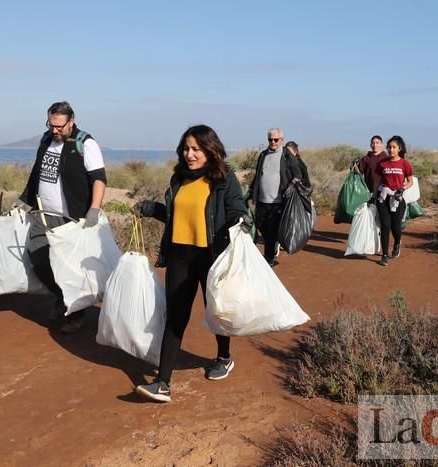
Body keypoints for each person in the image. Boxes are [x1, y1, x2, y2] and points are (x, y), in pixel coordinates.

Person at [133, 124, 249, 403]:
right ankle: (163, 382)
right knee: (176, 316)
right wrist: (151, 208)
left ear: (210, 150)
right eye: (186, 148)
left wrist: (238, 222)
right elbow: (177, 217)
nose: (190, 154)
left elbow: (237, 210)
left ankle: (223, 357)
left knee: (215, 310)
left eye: (196, 148)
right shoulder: (179, 179)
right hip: (179, 256)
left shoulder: (224, 178)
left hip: (210, 256)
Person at [16, 101, 107, 334]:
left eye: (59, 126)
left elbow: (99, 178)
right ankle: (63, 298)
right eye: (51, 124)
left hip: (72, 218)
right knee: (39, 259)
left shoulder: (85, 143)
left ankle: (75, 313)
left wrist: (94, 209)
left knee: (67, 269)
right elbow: (37, 172)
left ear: (71, 121)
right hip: (43, 214)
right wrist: (24, 200)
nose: (54, 130)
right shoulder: (46, 140)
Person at [245, 128, 301, 267]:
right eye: (270, 139)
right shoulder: (263, 155)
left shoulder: (287, 155)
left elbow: (298, 175)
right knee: (261, 227)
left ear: (281, 140)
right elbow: (258, 175)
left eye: (276, 140)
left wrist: (290, 187)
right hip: (262, 200)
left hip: (279, 202)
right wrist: (251, 191)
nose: (273, 142)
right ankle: (274, 243)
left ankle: (269, 259)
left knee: (270, 231)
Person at [374, 135, 413, 266]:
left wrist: (402, 189)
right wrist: (373, 195)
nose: (391, 150)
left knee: (396, 227)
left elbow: (410, 181)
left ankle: (397, 243)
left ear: (399, 149)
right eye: (389, 147)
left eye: (394, 147)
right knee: (385, 226)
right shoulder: (382, 163)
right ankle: (384, 255)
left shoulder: (404, 164)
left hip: (397, 198)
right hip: (383, 197)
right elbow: (378, 181)